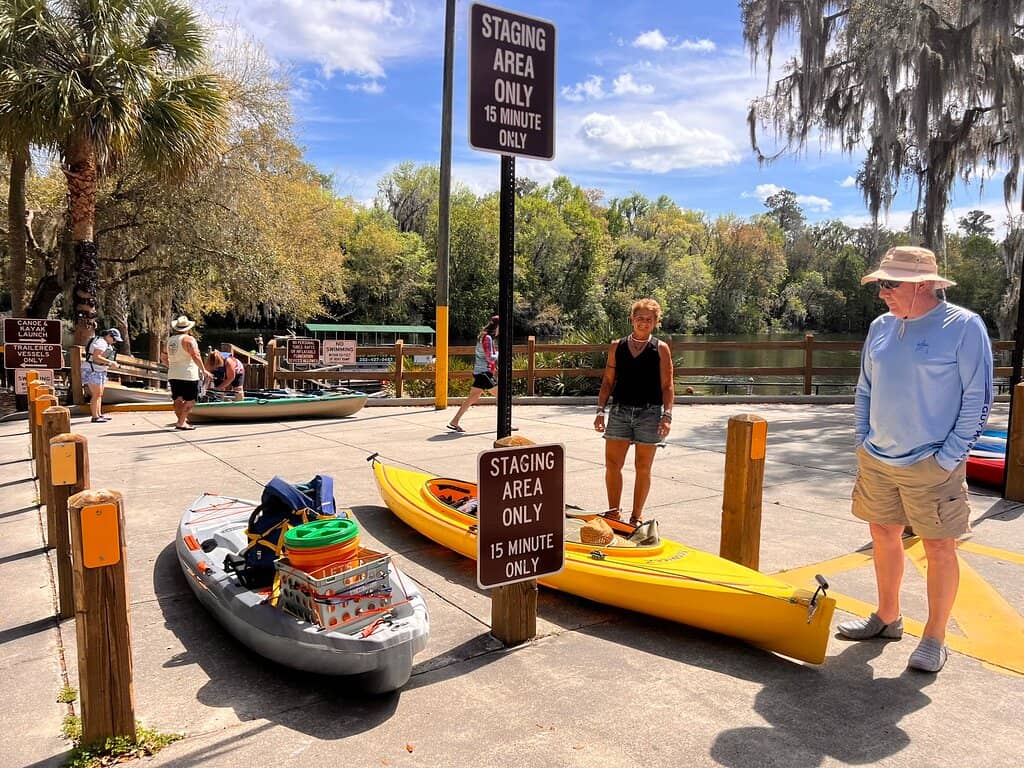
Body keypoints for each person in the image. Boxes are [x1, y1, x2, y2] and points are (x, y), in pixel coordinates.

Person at [838, 245, 993, 673]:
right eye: (881, 283)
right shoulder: (880, 326)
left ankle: (934, 637)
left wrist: (949, 458)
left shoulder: (963, 326)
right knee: (882, 534)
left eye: (890, 284)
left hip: (932, 463)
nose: (882, 292)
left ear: (923, 284)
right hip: (877, 458)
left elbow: (979, 397)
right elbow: (865, 387)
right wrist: (861, 440)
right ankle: (887, 618)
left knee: (940, 548)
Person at [594, 299, 674, 525]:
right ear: (632, 319)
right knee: (612, 465)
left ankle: (636, 516)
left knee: (643, 467)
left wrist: (667, 416)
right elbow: (608, 381)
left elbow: (667, 385)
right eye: (640, 318)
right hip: (620, 411)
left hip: (649, 414)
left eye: (649, 320)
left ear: (656, 322)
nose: (644, 323)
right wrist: (600, 411)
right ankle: (613, 512)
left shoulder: (660, 348)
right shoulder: (616, 346)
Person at [447, 315, 500, 433]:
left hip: (479, 372)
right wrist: (499, 354)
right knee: (501, 396)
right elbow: (490, 358)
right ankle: (504, 424)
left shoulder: (483, 336)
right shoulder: (487, 338)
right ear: (497, 326)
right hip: (484, 373)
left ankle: (454, 421)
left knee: (472, 398)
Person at [165, 315, 213, 430]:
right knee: (191, 400)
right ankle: (181, 423)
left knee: (177, 398)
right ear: (188, 328)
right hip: (188, 374)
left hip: (173, 373)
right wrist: (203, 370)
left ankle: (180, 421)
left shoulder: (169, 341)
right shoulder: (189, 340)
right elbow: (195, 355)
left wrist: (171, 366)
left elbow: (162, 357)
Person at [82, 327, 123, 423]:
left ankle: (99, 414)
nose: (114, 342)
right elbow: (96, 357)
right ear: (109, 336)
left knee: (99, 394)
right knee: (96, 394)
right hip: (93, 370)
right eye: (114, 339)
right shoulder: (101, 343)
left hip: (100, 370)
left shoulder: (105, 343)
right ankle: (95, 416)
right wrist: (111, 363)